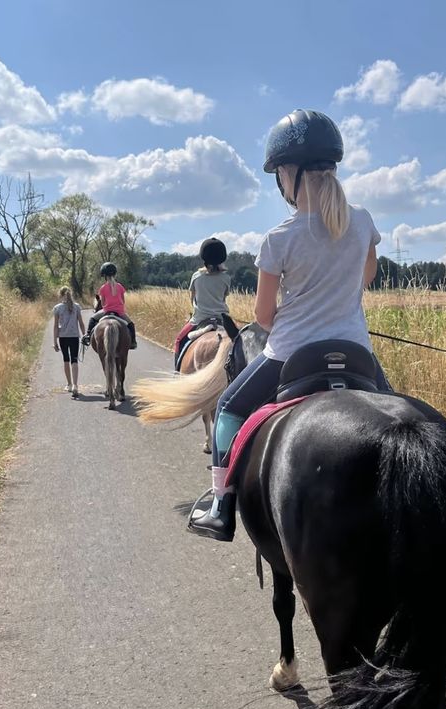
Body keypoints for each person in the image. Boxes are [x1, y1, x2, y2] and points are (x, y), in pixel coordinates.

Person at [188, 109, 391, 542]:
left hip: (289, 356)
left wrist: (299, 310)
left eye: (278, 173)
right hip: (356, 351)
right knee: (398, 417)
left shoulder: (279, 239)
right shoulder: (363, 221)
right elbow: (366, 278)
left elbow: (263, 317)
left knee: (227, 409)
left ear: (287, 173)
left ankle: (220, 503)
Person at [173, 237, 239, 369]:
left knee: (179, 341)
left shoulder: (196, 276)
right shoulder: (226, 278)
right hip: (222, 320)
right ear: (222, 258)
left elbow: (192, 298)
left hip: (199, 319)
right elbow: (223, 297)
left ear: (204, 258)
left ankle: (176, 373)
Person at [82, 262, 137, 349]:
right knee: (131, 324)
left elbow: (103, 303)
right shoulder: (120, 286)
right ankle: (133, 342)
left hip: (106, 311)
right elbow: (123, 301)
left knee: (92, 319)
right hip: (120, 312)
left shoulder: (103, 288)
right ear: (115, 274)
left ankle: (88, 336)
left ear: (104, 276)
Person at [52, 286, 85, 397]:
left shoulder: (57, 308)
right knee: (74, 360)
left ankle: (69, 384)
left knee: (66, 359)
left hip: (63, 337)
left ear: (61, 295)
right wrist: (85, 335)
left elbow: (55, 326)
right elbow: (81, 323)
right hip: (74, 336)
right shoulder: (77, 307)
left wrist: (55, 341)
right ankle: (76, 385)